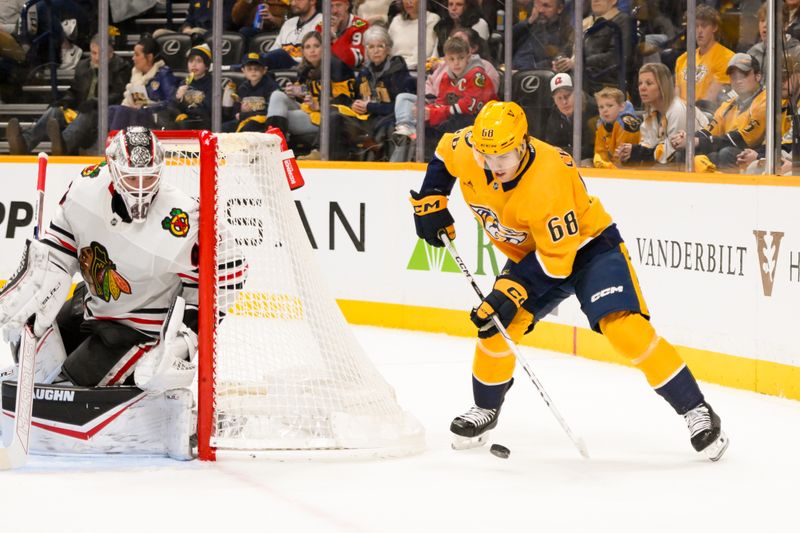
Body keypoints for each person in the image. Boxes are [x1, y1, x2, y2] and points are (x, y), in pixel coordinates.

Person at [408, 100, 729, 461]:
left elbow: (557, 264)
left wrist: (509, 290)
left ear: (523, 144)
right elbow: (443, 153)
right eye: (486, 156)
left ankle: (696, 410)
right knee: (497, 326)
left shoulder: (549, 178)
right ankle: (485, 408)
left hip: (590, 249)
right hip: (536, 256)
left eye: (503, 157)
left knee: (624, 329)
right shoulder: (472, 148)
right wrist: (433, 197)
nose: (494, 166)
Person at [0, 127, 245, 457]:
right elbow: (61, 245)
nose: (141, 188)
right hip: (90, 308)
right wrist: (35, 279)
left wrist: (186, 338)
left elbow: (230, 273)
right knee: (34, 342)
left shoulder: (184, 217)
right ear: (113, 169)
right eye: (132, 178)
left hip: (139, 330)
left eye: (150, 178)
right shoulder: (86, 188)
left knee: (65, 389)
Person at [6, 33, 130, 155]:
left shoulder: (122, 67)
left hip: (101, 117)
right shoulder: (83, 66)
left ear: (110, 53)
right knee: (55, 111)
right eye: (93, 53)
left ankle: (63, 144)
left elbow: (118, 95)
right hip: (80, 112)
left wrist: (95, 102)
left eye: (100, 54)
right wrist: (65, 100)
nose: (96, 58)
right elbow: (74, 91)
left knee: (88, 114)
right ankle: (24, 143)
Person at [392, 36, 495, 157]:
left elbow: (468, 106)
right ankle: (429, 162)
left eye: (460, 58)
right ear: (445, 59)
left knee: (455, 122)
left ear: (468, 56)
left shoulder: (477, 75)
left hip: (484, 120)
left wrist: (435, 113)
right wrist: (428, 111)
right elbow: (442, 101)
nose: (456, 63)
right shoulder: (446, 77)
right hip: (458, 118)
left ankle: (450, 160)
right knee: (425, 125)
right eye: (452, 59)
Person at [265, 31, 356, 157]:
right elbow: (306, 95)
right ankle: (274, 148)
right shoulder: (304, 69)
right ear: (303, 51)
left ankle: (274, 148)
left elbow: (347, 101)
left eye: (316, 46)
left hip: (330, 117)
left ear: (324, 48)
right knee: (277, 95)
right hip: (309, 111)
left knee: (277, 118)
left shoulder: (337, 67)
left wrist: (319, 106)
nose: (312, 51)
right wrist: (294, 94)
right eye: (307, 47)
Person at [670, 53, 766, 172]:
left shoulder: (766, 100)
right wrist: (689, 138)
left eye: (744, 75)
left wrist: (698, 141)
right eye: (734, 76)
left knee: (726, 153)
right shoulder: (728, 105)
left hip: (758, 153)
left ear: (758, 76)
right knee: (686, 149)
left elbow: (742, 139)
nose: (738, 80)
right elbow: (708, 131)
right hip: (730, 148)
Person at [333, 25, 414, 159]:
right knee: (335, 116)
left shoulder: (398, 72)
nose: (376, 51)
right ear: (366, 50)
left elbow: (399, 108)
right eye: (371, 47)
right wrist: (355, 105)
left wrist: (370, 107)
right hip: (367, 119)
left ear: (388, 48)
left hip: (387, 120)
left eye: (380, 46)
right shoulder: (365, 73)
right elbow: (357, 97)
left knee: (388, 127)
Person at [616, 62, 708, 166]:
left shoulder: (677, 110)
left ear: (662, 86)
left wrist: (637, 152)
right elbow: (648, 145)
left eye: (649, 83)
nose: (642, 88)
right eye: (640, 83)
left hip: (699, 161)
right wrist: (629, 153)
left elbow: (671, 154)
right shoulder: (652, 111)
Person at [107, 35, 179, 131]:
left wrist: (147, 106)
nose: (133, 58)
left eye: (137, 55)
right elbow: (136, 103)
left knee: (121, 111)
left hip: (154, 118)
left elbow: (171, 102)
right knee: (111, 110)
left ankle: (114, 143)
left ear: (149, 57)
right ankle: (105, 142)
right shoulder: (136, 75)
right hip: (137, 115)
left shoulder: (163, 74)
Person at [674, 5, 734, 109]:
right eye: (696, 26)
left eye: (704, 26)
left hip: (706, 116)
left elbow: (710, 100)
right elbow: (676, 96)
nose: (699, 30)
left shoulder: (726, 57)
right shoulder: (682, 59)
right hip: (682, 116)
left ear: (714, 27)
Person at [543, 72, 598, 164]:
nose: (564, 102)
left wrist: (562, 151)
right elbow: (552, 143)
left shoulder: (593, 110)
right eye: (559, 98)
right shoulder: (554, 112)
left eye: (567, 96)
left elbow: (592, 149)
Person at [222, 52, 281, 132]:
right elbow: (236, 111)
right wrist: (241, 109)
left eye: (257, 68)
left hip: (263, 122)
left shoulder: (271, 86)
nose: (253, 71)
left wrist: (244, 115)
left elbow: (271, 111)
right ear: (243, 71)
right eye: (249, 69)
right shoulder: (242, 87)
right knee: (223, 128)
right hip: (245, 120)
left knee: (249, 126)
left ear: (264, 70)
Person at [511, 0, 574, 72]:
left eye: (546, 6)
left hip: (535, 77)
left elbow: (556, 60)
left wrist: (521, 71)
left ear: (559, 8)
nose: (540, 10)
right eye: (537, 5)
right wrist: (529, 21)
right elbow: (508, 40)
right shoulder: (529, 25)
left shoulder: (566, 32)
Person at [263, 0, 323, 70]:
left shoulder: (323, 21)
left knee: (279, 54)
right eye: (291, 0)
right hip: (282, 67)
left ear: (312, 1)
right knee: (254, 58)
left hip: (305, 67)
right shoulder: (288, 23)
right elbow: (274, 50)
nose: (293, 3)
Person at [167, 44, 214, 130]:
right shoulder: (185, 82)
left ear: (206, 66)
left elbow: (210, 111)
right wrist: (178, 98)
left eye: (199, 61)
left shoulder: (212, 84)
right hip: (186, 121)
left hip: (203, 123)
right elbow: (172, 107)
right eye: (191, 61)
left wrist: (190, 107)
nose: (194, 65)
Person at [593, 86, 641, 168]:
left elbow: (622, 158)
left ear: (622, 107)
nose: (605, 110)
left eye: (610, 105)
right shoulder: (601, 125)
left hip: (635, 169)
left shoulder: (626, 124)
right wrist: (601, 164)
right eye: (601, 107)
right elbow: (600, 152)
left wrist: (607, 166)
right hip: (613, 168)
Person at [316, 0, 370, 70]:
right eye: (330, 6)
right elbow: (315, 58)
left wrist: (334, 38)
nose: (334, 11)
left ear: (347, 6)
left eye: (338, 5)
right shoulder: (321, 27)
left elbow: (353, 61)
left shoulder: (361, 26)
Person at [388, 0, 441, 71]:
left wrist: (402, 67)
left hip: (418, 72)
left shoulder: (432, 19)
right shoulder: (396, 20)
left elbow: (424, 52)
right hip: (393, 69)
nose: (408, 2)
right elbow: (387, 48)